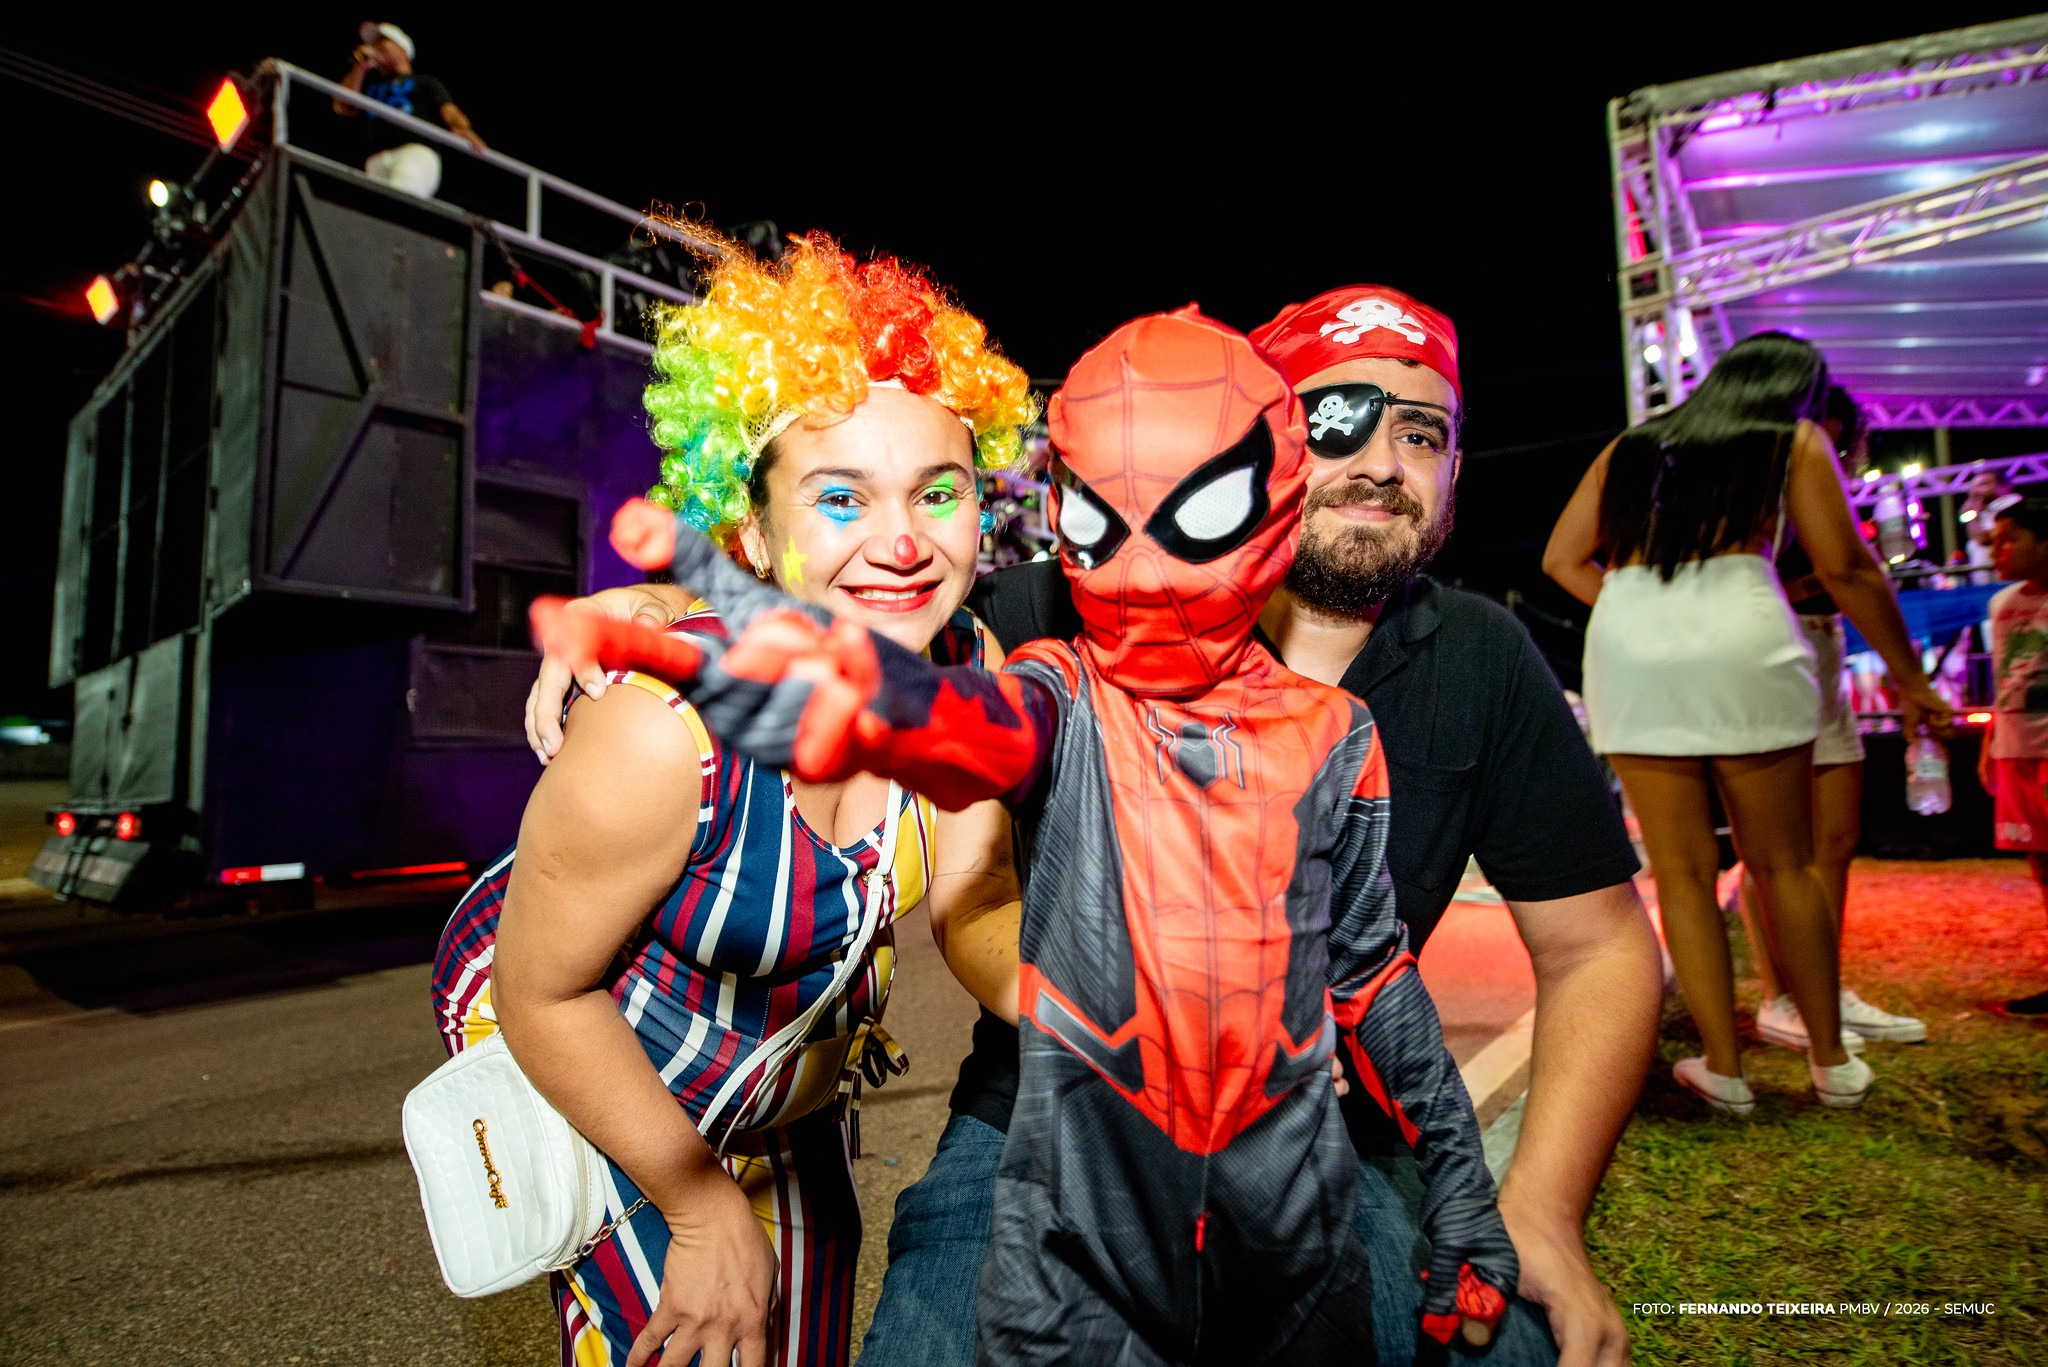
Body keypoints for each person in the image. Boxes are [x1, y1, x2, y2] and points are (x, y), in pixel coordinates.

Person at [529, 283, 1664, 1367]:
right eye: (1337, 418)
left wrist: (1540, 1207)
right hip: (1034, 1117)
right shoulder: (1052, 612)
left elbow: (1594, 945)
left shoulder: (1469, 663)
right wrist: (662, 605)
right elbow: (866, 615)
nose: (1377, 460)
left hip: (1320, 1136)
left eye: (1419, 431)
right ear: (1263, 442)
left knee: (1496, 1340)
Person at [433, 231, 1037, 1367]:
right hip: (604, 1067)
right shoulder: (663, 731)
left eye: (937, 489)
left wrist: (1100, 1019)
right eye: (840, 496)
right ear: (754, 535)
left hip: (788, 1090)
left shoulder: (971, 671)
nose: (902, 540)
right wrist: (699, 1204)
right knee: (710, 1330)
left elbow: (973, 889)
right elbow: (542, 989)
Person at [1544, 332, 1953, 1117]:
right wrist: (1910, 676)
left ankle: (1724, 1069)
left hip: (1632, 654)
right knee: (1784, 864)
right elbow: (1845, 568)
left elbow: (1563, 559)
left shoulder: (1631, 444)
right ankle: (1831, 1062)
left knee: (1684, 874)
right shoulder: (1788, 439)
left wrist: (1642, 615)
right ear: (1798, 392)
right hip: (1746, 636)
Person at [1735, 386, 1927, 1051]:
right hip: (1775, 649)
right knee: (1777, 849)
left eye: (1843, 436)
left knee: (1836, 838)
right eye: (1833, 431)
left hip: (1823, 647)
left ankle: (1824, 985)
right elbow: (1757, 579)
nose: (1840, 446)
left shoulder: (1817, 481)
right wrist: (1834, 579)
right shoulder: (1757, 483)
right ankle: (1781, 995)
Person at [1978, 495, 2048, 1020]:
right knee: (2043, 869)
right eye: (1995, 539)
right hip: (2016, 749)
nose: (1997, 549)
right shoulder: (2002, 605)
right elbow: (2005, 680)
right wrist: (1991, 745)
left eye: (2010, 539)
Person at [334, 22, 486, 198]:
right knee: (372, 213)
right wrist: (360, 66)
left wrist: (462, 128)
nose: (375, 47)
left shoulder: (425, 82)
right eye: (373, 43)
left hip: (415, 154)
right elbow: (342, 107)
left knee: (399, 203)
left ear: (403, 50)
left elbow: (450, 111)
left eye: (382, 41)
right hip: (377, 160)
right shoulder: (371, 85)